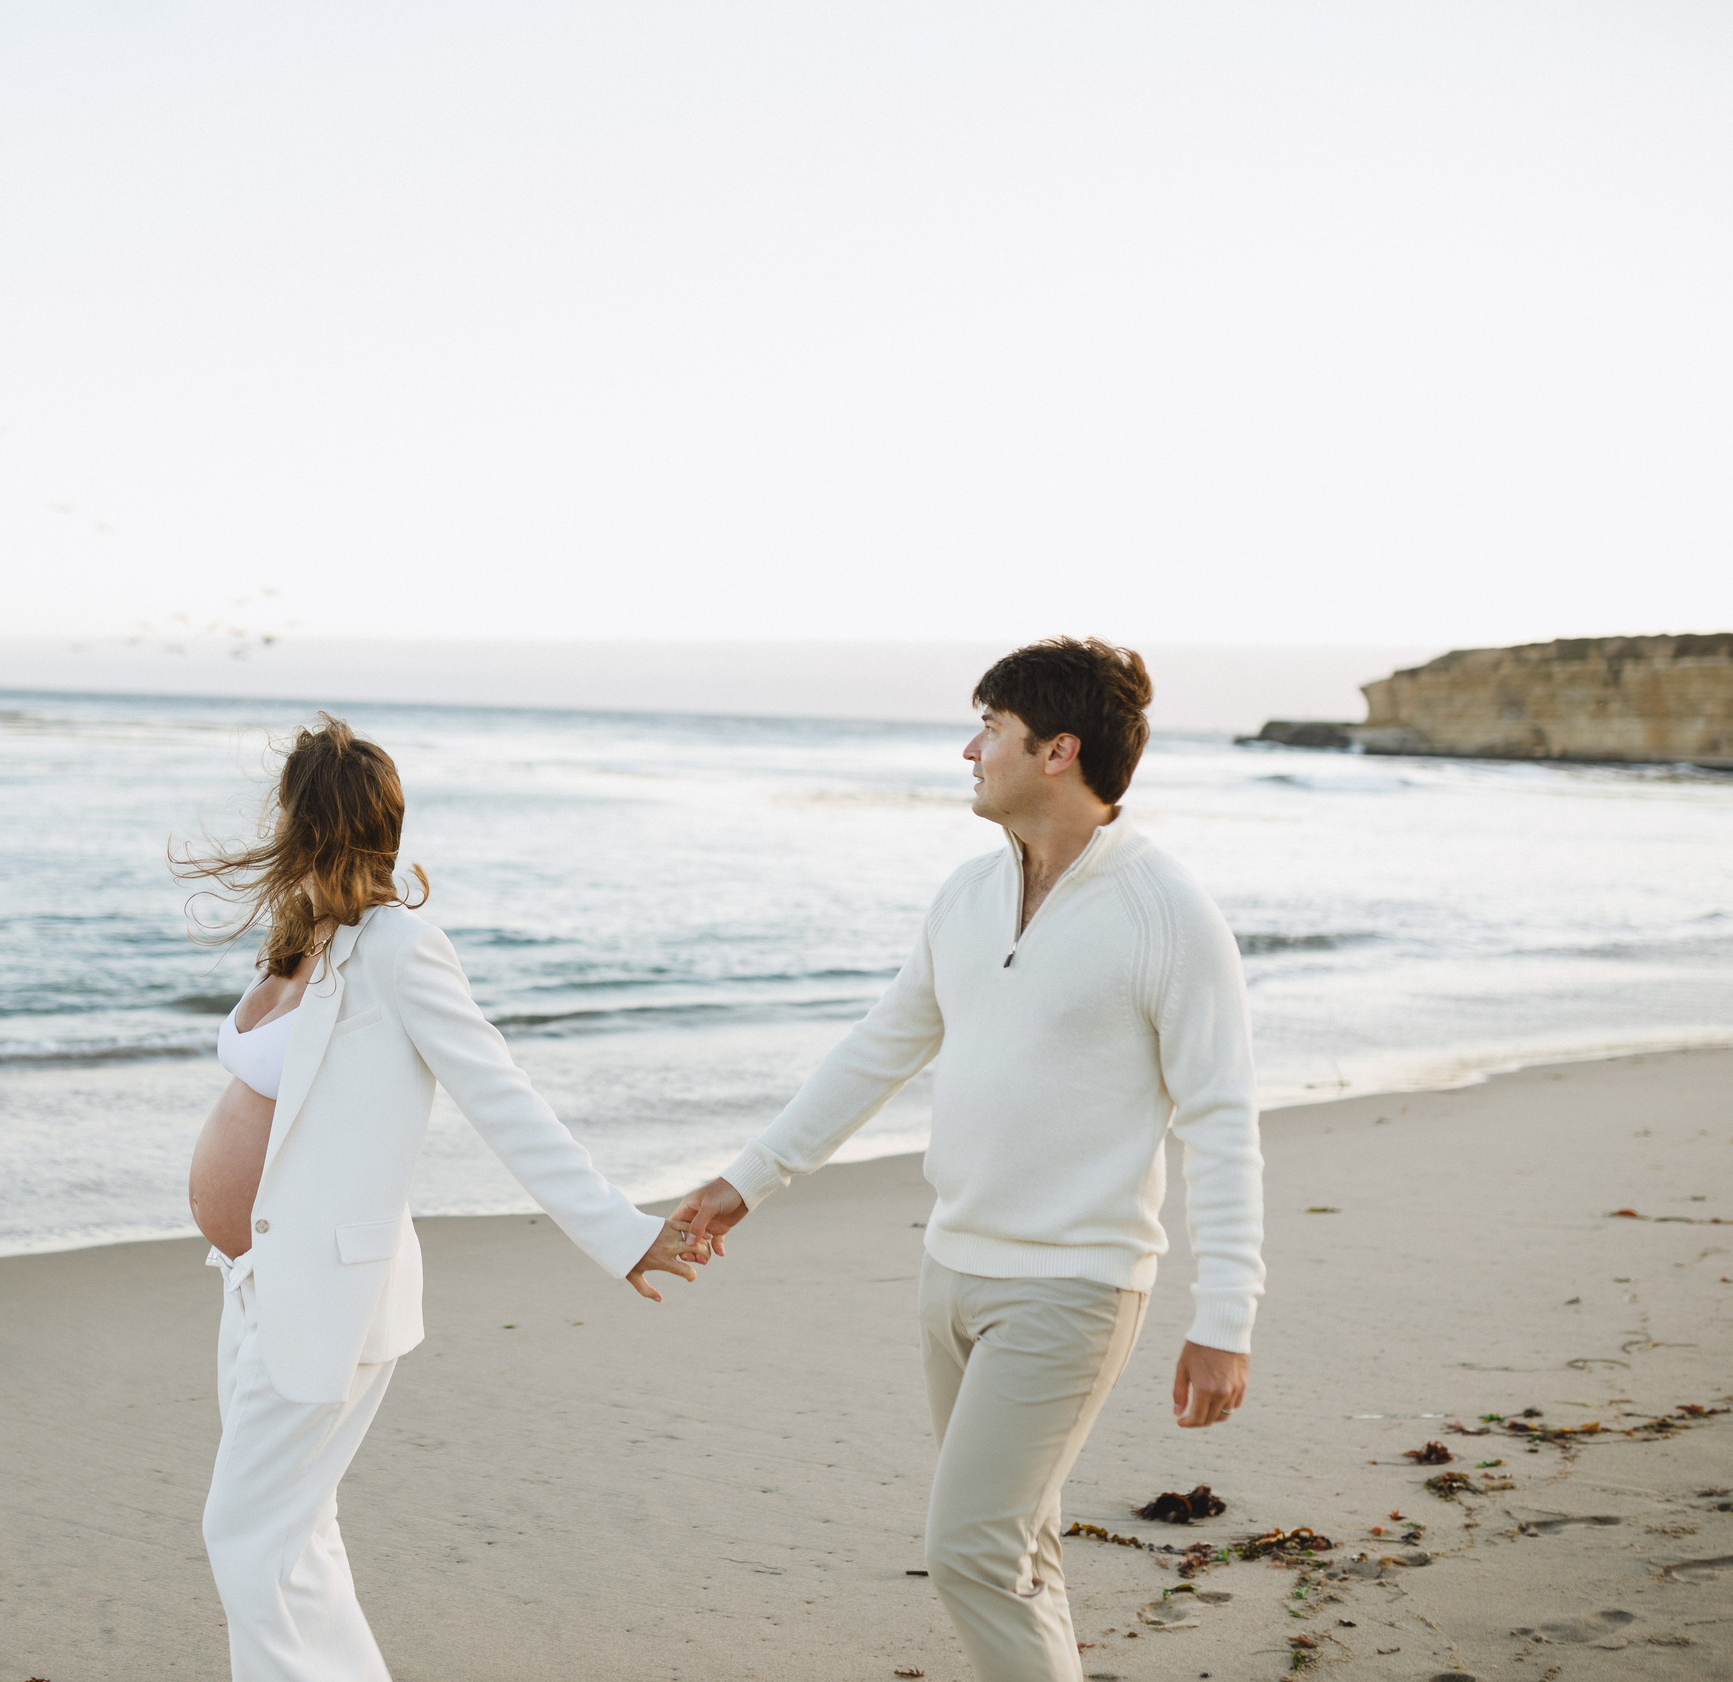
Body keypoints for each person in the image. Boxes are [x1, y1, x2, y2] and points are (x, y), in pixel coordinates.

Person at [670, 637, 1266, 1682]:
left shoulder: (1167, 914)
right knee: (1020, 1550)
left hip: (1073, 1286)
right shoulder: (965, 893)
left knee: (970, 1553)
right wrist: (748, 1179)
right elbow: (878, 1049)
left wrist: (1225, 1318)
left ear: (1057, 751)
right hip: (950, 1271)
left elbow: (1221, 1120)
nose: (968, 751)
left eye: (990, 729)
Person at [174, 714, 702, 1682]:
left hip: (328, 1294)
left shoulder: (397, 948)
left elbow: (503, 1097)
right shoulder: (303, 940)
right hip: (252, 1281)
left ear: (309, 818)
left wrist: (622, 1233)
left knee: (246, 1538)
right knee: (294, 1536)